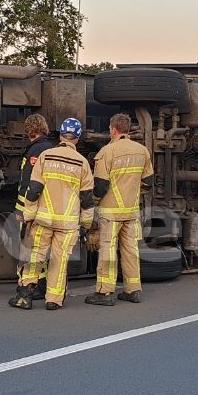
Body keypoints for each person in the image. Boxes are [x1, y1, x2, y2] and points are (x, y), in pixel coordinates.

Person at [9, 117, 95, 310]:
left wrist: (29, 216)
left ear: (61, 135)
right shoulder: (83, 163)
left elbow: (33, 190)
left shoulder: (46, 156)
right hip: (68, 224)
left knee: (34, 256)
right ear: (78, 139)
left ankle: (24, 297)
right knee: (59, 260)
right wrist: (87, 226)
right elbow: (87, 200)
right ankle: (54, 301)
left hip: (43, 220)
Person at [85, 112, 154, 306]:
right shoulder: (142, 151)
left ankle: (105, 293)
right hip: (131, 212)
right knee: (131, 250)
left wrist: (95, 202)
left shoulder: (107, 152)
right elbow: (148, 182)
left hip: (111, 212)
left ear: (113, 129)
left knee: (108, 251)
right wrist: (133, 194)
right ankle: (133, 290)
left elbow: (100, 185)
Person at [14, 113, 55, 299]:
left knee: (28, 246)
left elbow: (27, 182)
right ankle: (42, 283)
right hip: (49, 207)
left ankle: (27, 286)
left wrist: (20, 209)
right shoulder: (52, 148)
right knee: (42, 248)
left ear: (29, 130)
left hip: (32, 208)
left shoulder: (34, 151)